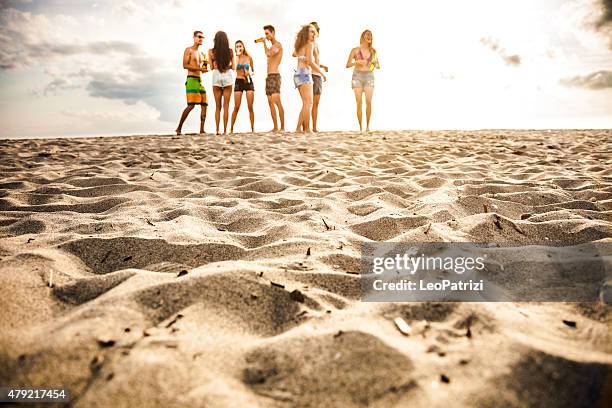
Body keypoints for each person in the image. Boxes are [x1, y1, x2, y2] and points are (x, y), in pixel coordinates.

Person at [293, 24, 326, 134]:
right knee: (308, 103)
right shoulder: (310, 45)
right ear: (306, 33)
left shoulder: (300, 45)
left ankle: (298, 128)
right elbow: (310, 62)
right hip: (305, 74)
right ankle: (307, 129)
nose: (313, 34)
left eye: (314, 32)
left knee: (305, 103)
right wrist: (322, 73)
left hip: (298, 74)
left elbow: (295, 55)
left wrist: (302, 57)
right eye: (311, 31)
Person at [345, 29, 380, 132]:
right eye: (367, 35)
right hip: (357, 76)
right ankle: (360, 127)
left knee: (368, 102)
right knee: (359, 102)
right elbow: (347, 65)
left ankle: (368, 127)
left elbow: (377, 65)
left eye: (371, 35)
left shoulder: (373, 51)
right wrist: (357, 62)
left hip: (369, 76)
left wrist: (372, 64)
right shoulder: (355, 50)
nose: (370, 36)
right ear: (363, 37)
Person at [176, 30, 209, 135]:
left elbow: (202, 69)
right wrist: (200, 69)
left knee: (204, 104)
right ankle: (179, 128)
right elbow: (185, 65)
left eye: (202, 37)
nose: (201, 39)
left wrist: (204, 67)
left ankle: (202, 129)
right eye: (199, 36)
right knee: (191, 105)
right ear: (194, 37)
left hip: (200, 81)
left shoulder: (201, 53)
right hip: (191, 79)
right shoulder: (189, 50)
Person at [257, 25, 285, 132]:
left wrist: (264, 43)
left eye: (267, 33)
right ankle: (275, 127)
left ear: (273, 33)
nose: (266, 36)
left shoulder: (278, 45)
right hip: (268, 76)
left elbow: (269, 53)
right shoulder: (271, 46)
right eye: (265, 34)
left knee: (277, 101)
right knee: (270, 102)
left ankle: (282, 127)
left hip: (275, 76)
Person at [208, 31, 235, 135]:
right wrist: (225, 66)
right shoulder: (231, 51)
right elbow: (233, 67)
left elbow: (211, 67)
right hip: (227, 76)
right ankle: (225, 130)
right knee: (226, 106)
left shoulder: (211, 51)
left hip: (216, 77)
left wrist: (216, 65)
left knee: (218, 107)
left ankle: (217, 130)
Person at [230, 40, 255, 133]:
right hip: (239, 81)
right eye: (237, 46)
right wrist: (237, 55)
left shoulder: (249, 57)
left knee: (250, 107)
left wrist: (250, 73)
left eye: (240, 46)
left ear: (243, 46)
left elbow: (253, 70)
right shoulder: (235, 58)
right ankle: (231, 129)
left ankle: (252, 129)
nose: (239, 48)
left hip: (248, 81)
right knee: (236, 107)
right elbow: (234, 67)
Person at [310, 22, 328, 133]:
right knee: (308, 103)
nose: (313, 33)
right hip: (311, 74)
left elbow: (315, 61)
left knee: (316, 103)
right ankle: (305, 127)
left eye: (315, 30)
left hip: (317, 75)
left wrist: (322, 66)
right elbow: (308, 60)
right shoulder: (308, 44)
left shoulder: (316, 44)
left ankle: (314, 127)